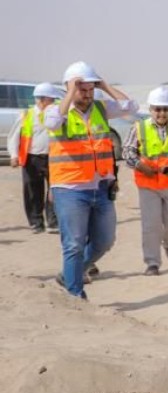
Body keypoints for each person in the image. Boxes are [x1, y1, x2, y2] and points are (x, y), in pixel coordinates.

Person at [43, 62, 137, 298]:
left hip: (101, 187)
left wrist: (104, 85)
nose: (86, 95)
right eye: (81, 89)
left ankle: (69, 274)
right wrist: (70, 92)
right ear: (69, 88)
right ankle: (75, 293)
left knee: (105, 240)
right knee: (74, 244)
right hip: (70, 188)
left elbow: (130, 107)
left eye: (89, 90)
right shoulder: (57, 111)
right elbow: (53, 123)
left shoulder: (101, 108)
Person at [125, 87, 168, 275]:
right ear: (151, 109)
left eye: (165, 109)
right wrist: (139, 165)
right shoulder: (139, 128)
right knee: (151, 225)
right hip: (148, 185)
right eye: (157, 109)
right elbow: (127, 152)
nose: (161, 113)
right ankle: (152, 263)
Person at [8, 82, 62, 233]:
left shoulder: (56, 114)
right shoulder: (26, 115)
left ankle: (53, 222)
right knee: (33, 191)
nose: (54, 103)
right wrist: (14, 155)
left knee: (55, 190)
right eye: (52, 100)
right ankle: (36, 223)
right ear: (42, 100)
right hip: (32, 159)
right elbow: (14, 137)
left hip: (54, 158)